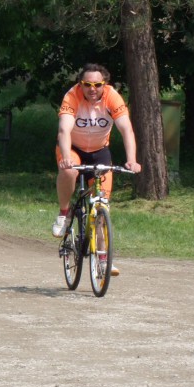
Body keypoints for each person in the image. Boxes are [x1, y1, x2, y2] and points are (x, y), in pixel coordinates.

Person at [52, 63, 142, 275]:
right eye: (87, 84)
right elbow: (64, 130)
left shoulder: (112, 97)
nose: (92, 89)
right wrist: (65, 157)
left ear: (105, 84)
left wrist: (132, 160)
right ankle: (64, 213)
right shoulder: (72, 96)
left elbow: (126, 129)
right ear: (80, 84)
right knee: (69, 171)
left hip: (100, 151)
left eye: (97, 84)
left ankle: (103, 261)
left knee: (101, 207)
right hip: (72, 148)